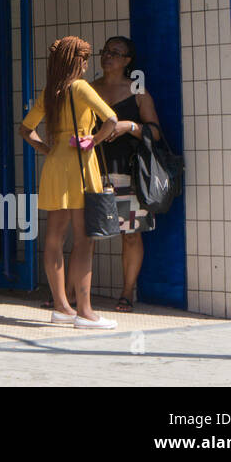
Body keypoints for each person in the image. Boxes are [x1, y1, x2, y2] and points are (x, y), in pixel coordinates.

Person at [19, 36, 119, 329]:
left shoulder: (51, 91)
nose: (88, 64)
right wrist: (94, 139)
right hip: (79, 163)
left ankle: (62, 307)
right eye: (84, 59)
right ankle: (85, 312)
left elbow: (25, 130)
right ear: (77, 62)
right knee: (84, 238)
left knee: (54, 237)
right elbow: (111, 119)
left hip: (55, 164)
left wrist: (47, 150)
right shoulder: (80, 87)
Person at [91, 36, 163, 312]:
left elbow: (155, 132)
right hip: (94, 171)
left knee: (131, 234)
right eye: (105, 51)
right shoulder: (90, 89)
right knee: (88, 233)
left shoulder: (138, 92)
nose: (107, 56)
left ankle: (127, 293)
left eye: (115, 52)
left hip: (128, 173)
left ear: (128, 60)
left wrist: (129, 126)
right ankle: (75, 292)